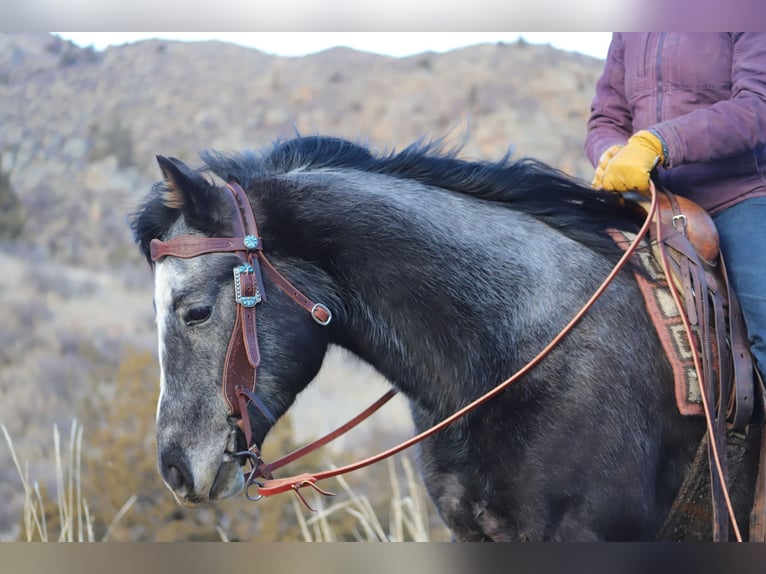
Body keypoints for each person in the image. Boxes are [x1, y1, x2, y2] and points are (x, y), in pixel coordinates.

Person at [585, 33, 766, 386]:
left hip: (737, 195)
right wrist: (611, 152)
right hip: (651, 203)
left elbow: (757, 105)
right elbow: (606, 119)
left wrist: (659, 142)